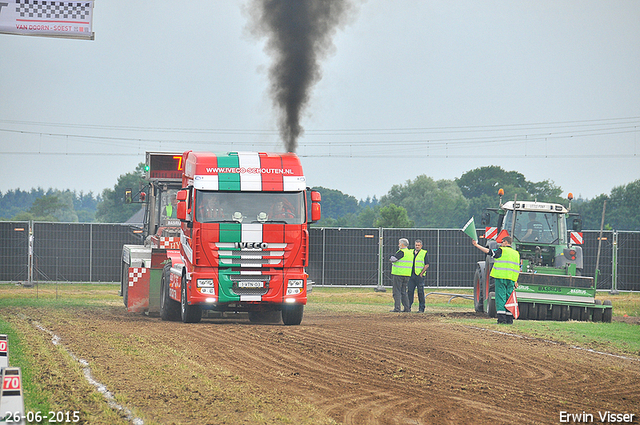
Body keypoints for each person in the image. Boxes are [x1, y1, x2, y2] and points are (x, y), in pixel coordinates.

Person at [472, 236, 520, 324]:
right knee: (509, 298)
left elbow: (488, 251)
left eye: (502, 242)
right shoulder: (516, 253)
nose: (501, 244)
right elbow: (517, 267)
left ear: (506, 242)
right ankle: (509, 319)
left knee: (500, 297)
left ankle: (501, 319)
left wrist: (476, 245)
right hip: (512, 279)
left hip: (501, 278)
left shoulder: (502, 250)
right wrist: (516, 281)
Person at [389, 238, 413, 312]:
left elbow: (393, 259)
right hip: (407, 274)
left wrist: (391, 258)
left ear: (402, 244)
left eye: (399, 243)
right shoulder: (410, 252)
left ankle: (397, 308)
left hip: (398, 274)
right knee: (403, 292)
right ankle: (407, 308)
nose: (398, 245)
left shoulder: (401, 252)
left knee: (397, 291)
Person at [407, 239, 429, 312]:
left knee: (420, 292)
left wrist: (421, 273)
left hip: (419, 276)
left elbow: (427, 264)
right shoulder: (410, 252)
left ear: (421, 246)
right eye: (416, 245)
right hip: (411, 275)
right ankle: (408, 307)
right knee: (410, 291)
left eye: (418, 245)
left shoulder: (424, 253)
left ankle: (421, 308)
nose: (417, 246)